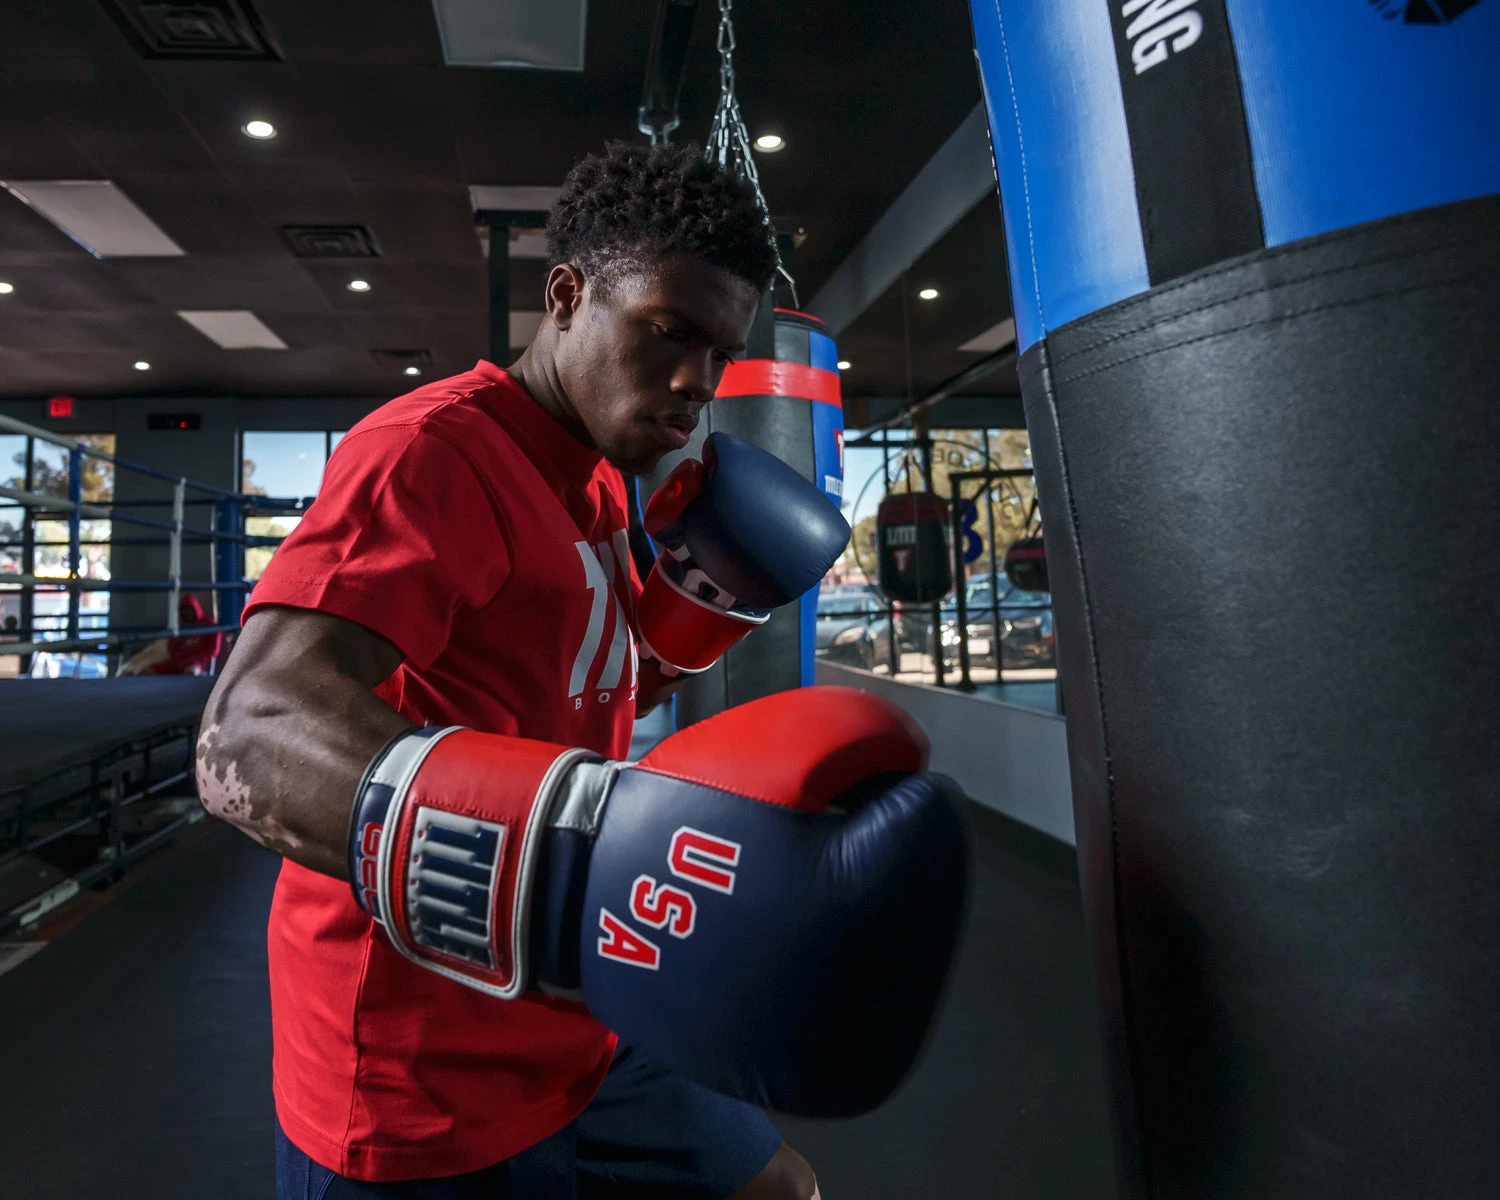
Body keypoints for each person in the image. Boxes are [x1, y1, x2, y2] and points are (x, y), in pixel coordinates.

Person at [197, 142, 857, 1200]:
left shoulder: (597, 485)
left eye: (720, 354)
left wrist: (697, 607)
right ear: (566, 296)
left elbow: (592, 689)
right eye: (668, 331)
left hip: (570, 1007)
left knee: (781, 1189)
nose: (697, 380)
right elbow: (251, 734)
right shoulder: (435, 456)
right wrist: (563, 862)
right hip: (421, 1061)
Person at [117, 593, 223, 676]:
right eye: (184, 610)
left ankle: (127, 672)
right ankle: (124, 670)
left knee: (145, 668)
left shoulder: (209, 625)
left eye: (189, 610)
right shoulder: (183, 625)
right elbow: (174, 644)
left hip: (177, 657)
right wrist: (180, 655)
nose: (187, 613)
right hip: (168, 649)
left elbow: (212, 649)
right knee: (143, 656)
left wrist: (187, 658)